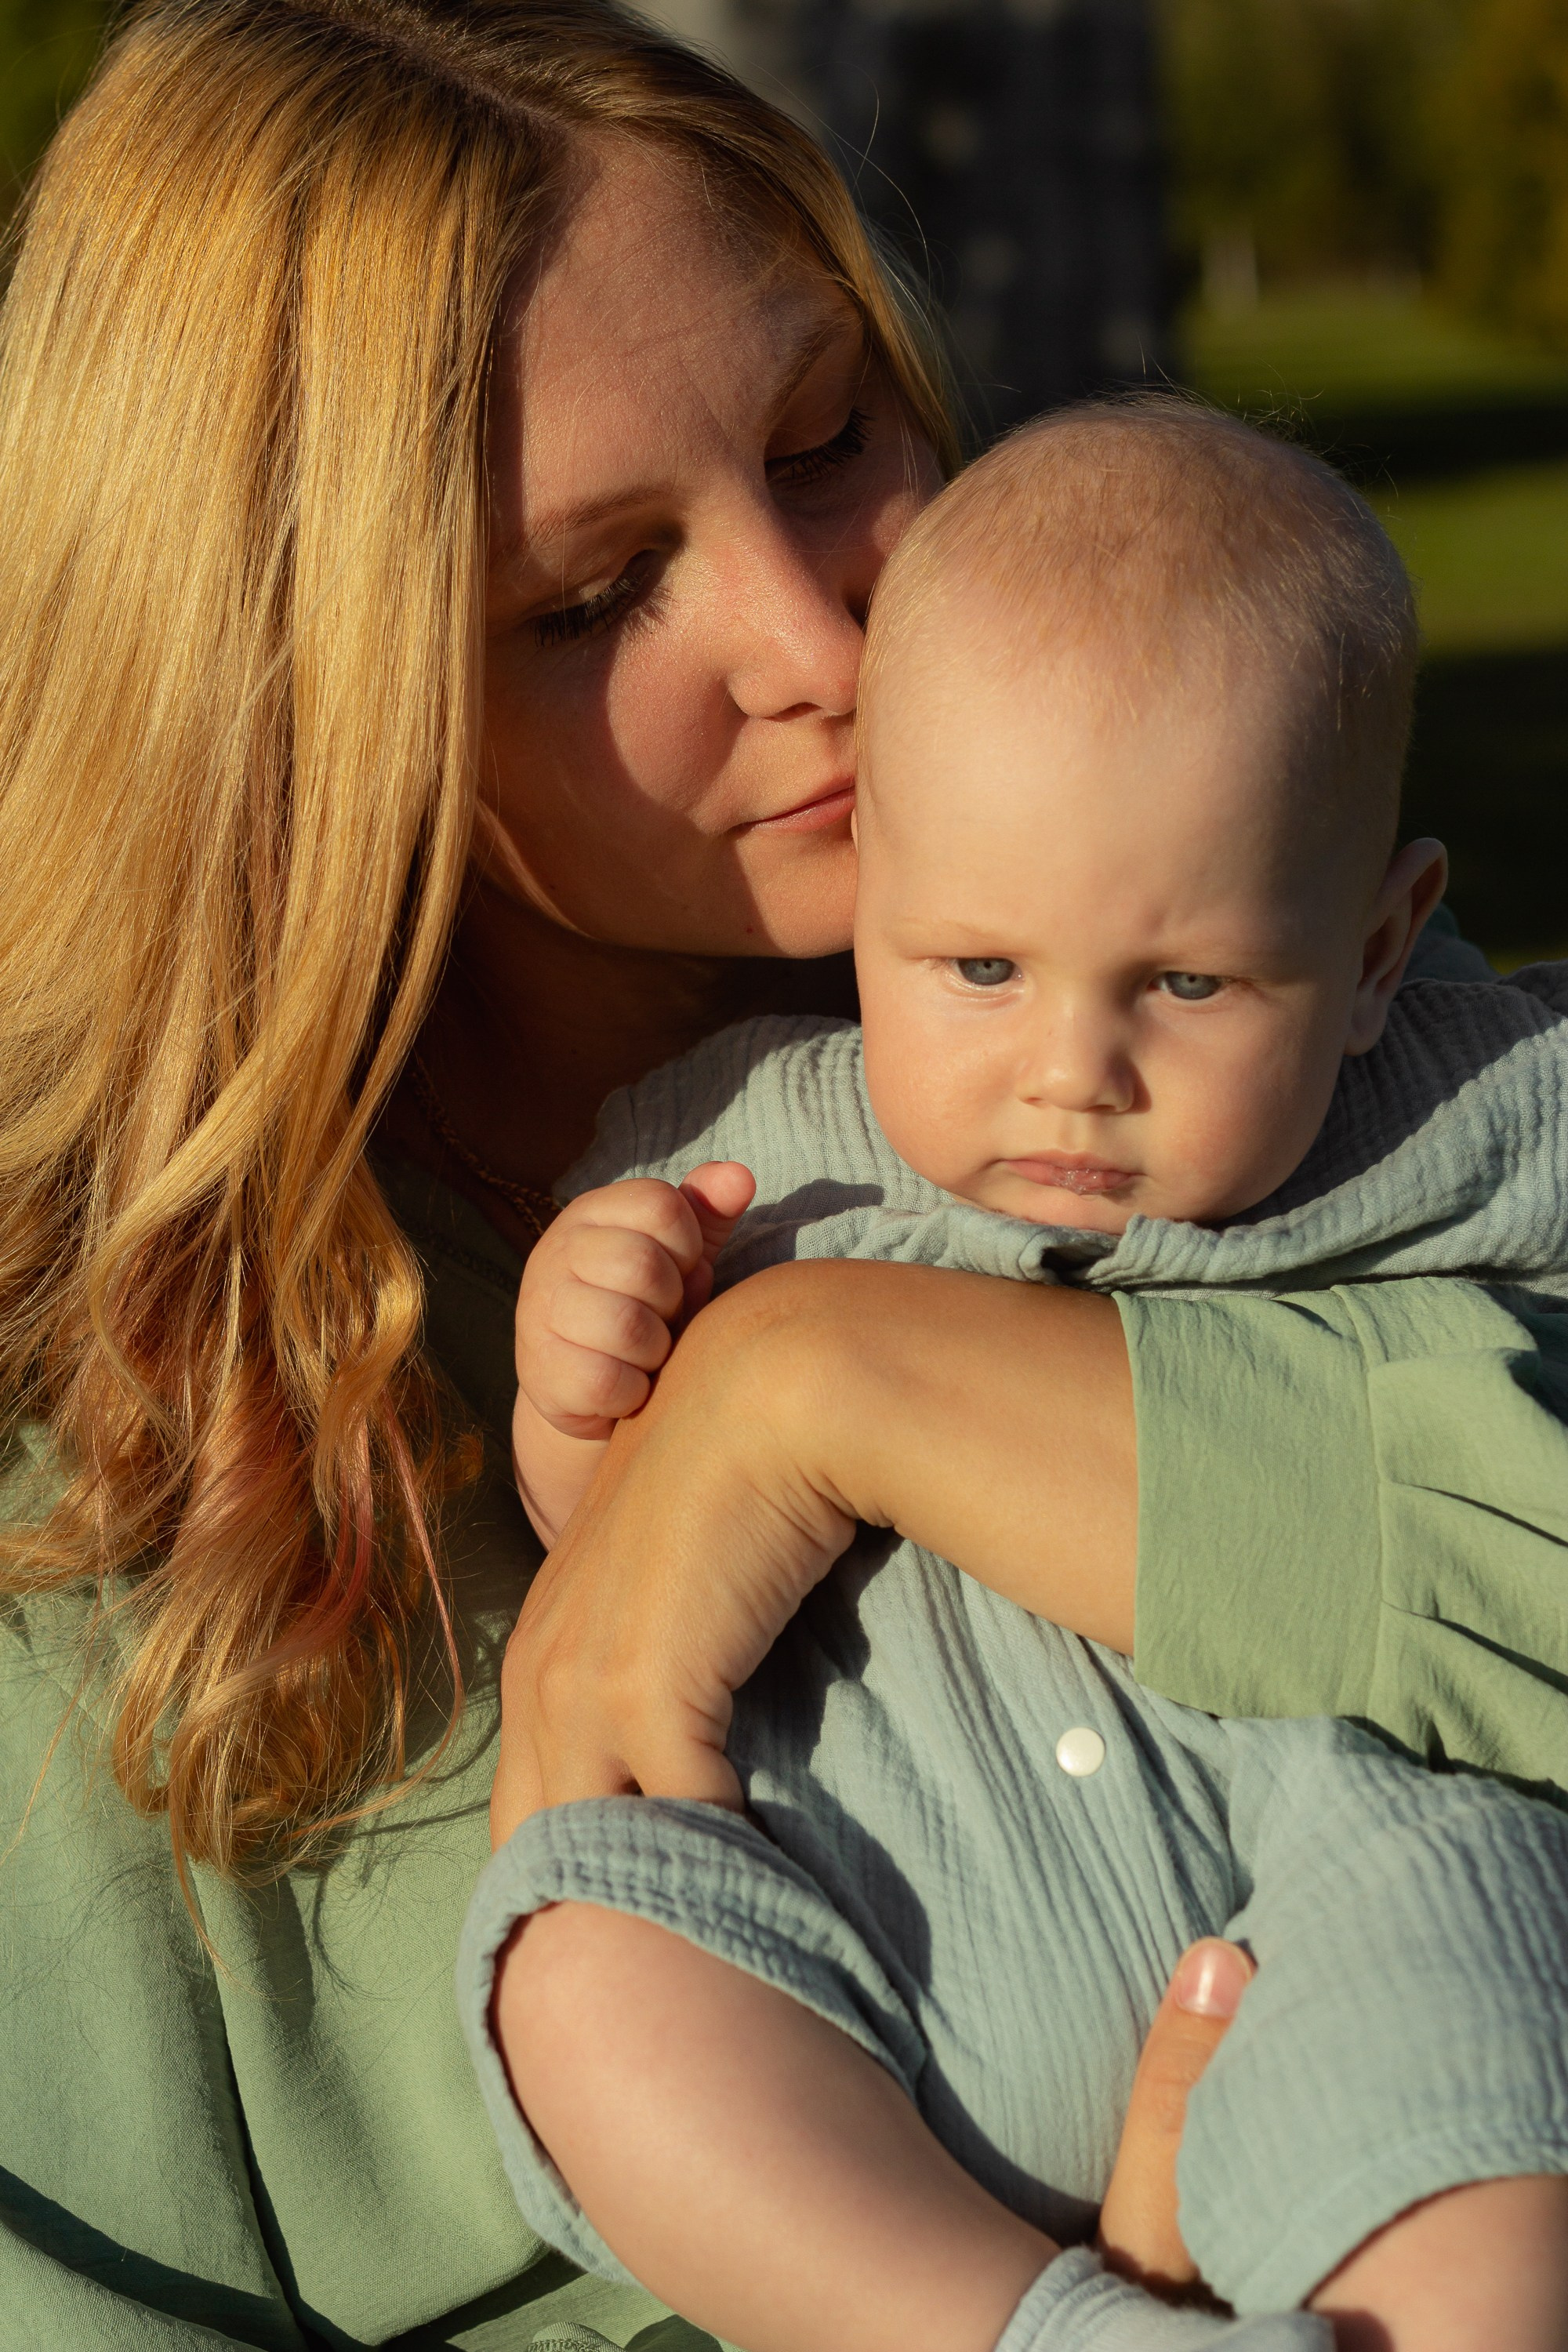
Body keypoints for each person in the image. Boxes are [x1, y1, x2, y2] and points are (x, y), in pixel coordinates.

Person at [0, 1, 1559, 2346]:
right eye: (591, 598)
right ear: (298, 722)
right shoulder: (85, 1535)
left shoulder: (1217, 1006)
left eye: (830, 435)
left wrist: (827, 1381)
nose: (823, 637)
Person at [472, 404, 1568, 2351]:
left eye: (1188, 986)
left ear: (1386, 942)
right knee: (584, 1970)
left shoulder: (1452, 1098)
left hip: (1349, 1879)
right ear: (881, 866)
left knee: (1490, 2187)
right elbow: (620, 1549)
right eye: (976, 969)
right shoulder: (739, 1145)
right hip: (890, 1918)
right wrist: (585, 1385)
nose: (1073, 1067)